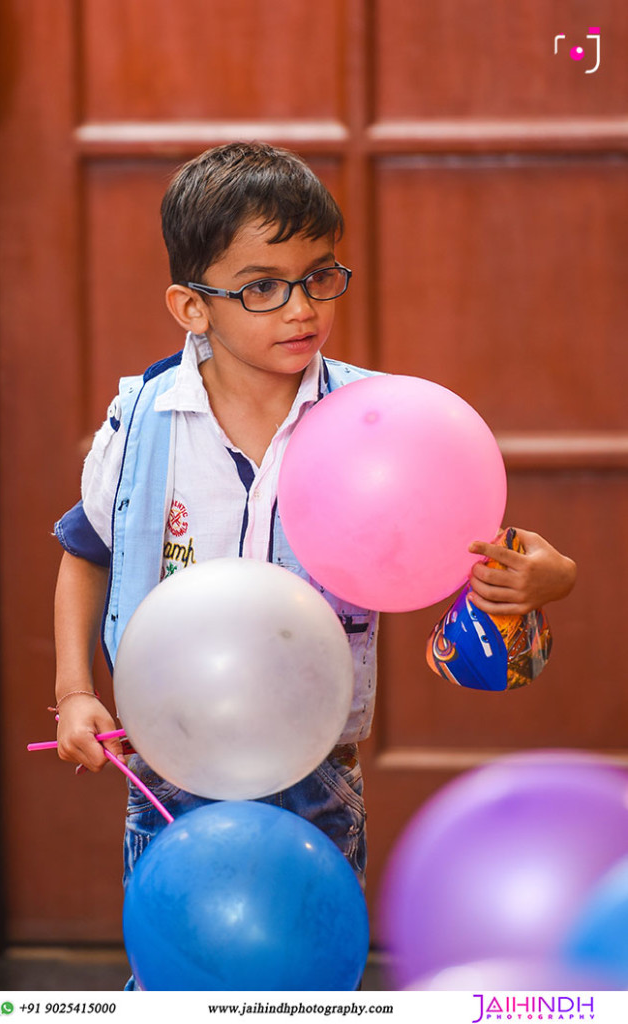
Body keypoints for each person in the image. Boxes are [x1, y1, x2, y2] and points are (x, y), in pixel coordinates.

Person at [52, 140, 576, 930]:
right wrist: (73, 692)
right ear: (191, 307)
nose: (301, 308)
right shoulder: (141, 422)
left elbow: (488, 578)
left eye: (319, 277)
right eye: (262, 287)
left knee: (310, 963)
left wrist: (545, 580)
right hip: (172, 757)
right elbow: (86, 554)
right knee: (183, 964)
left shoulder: (382, 425)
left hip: (317, 764)